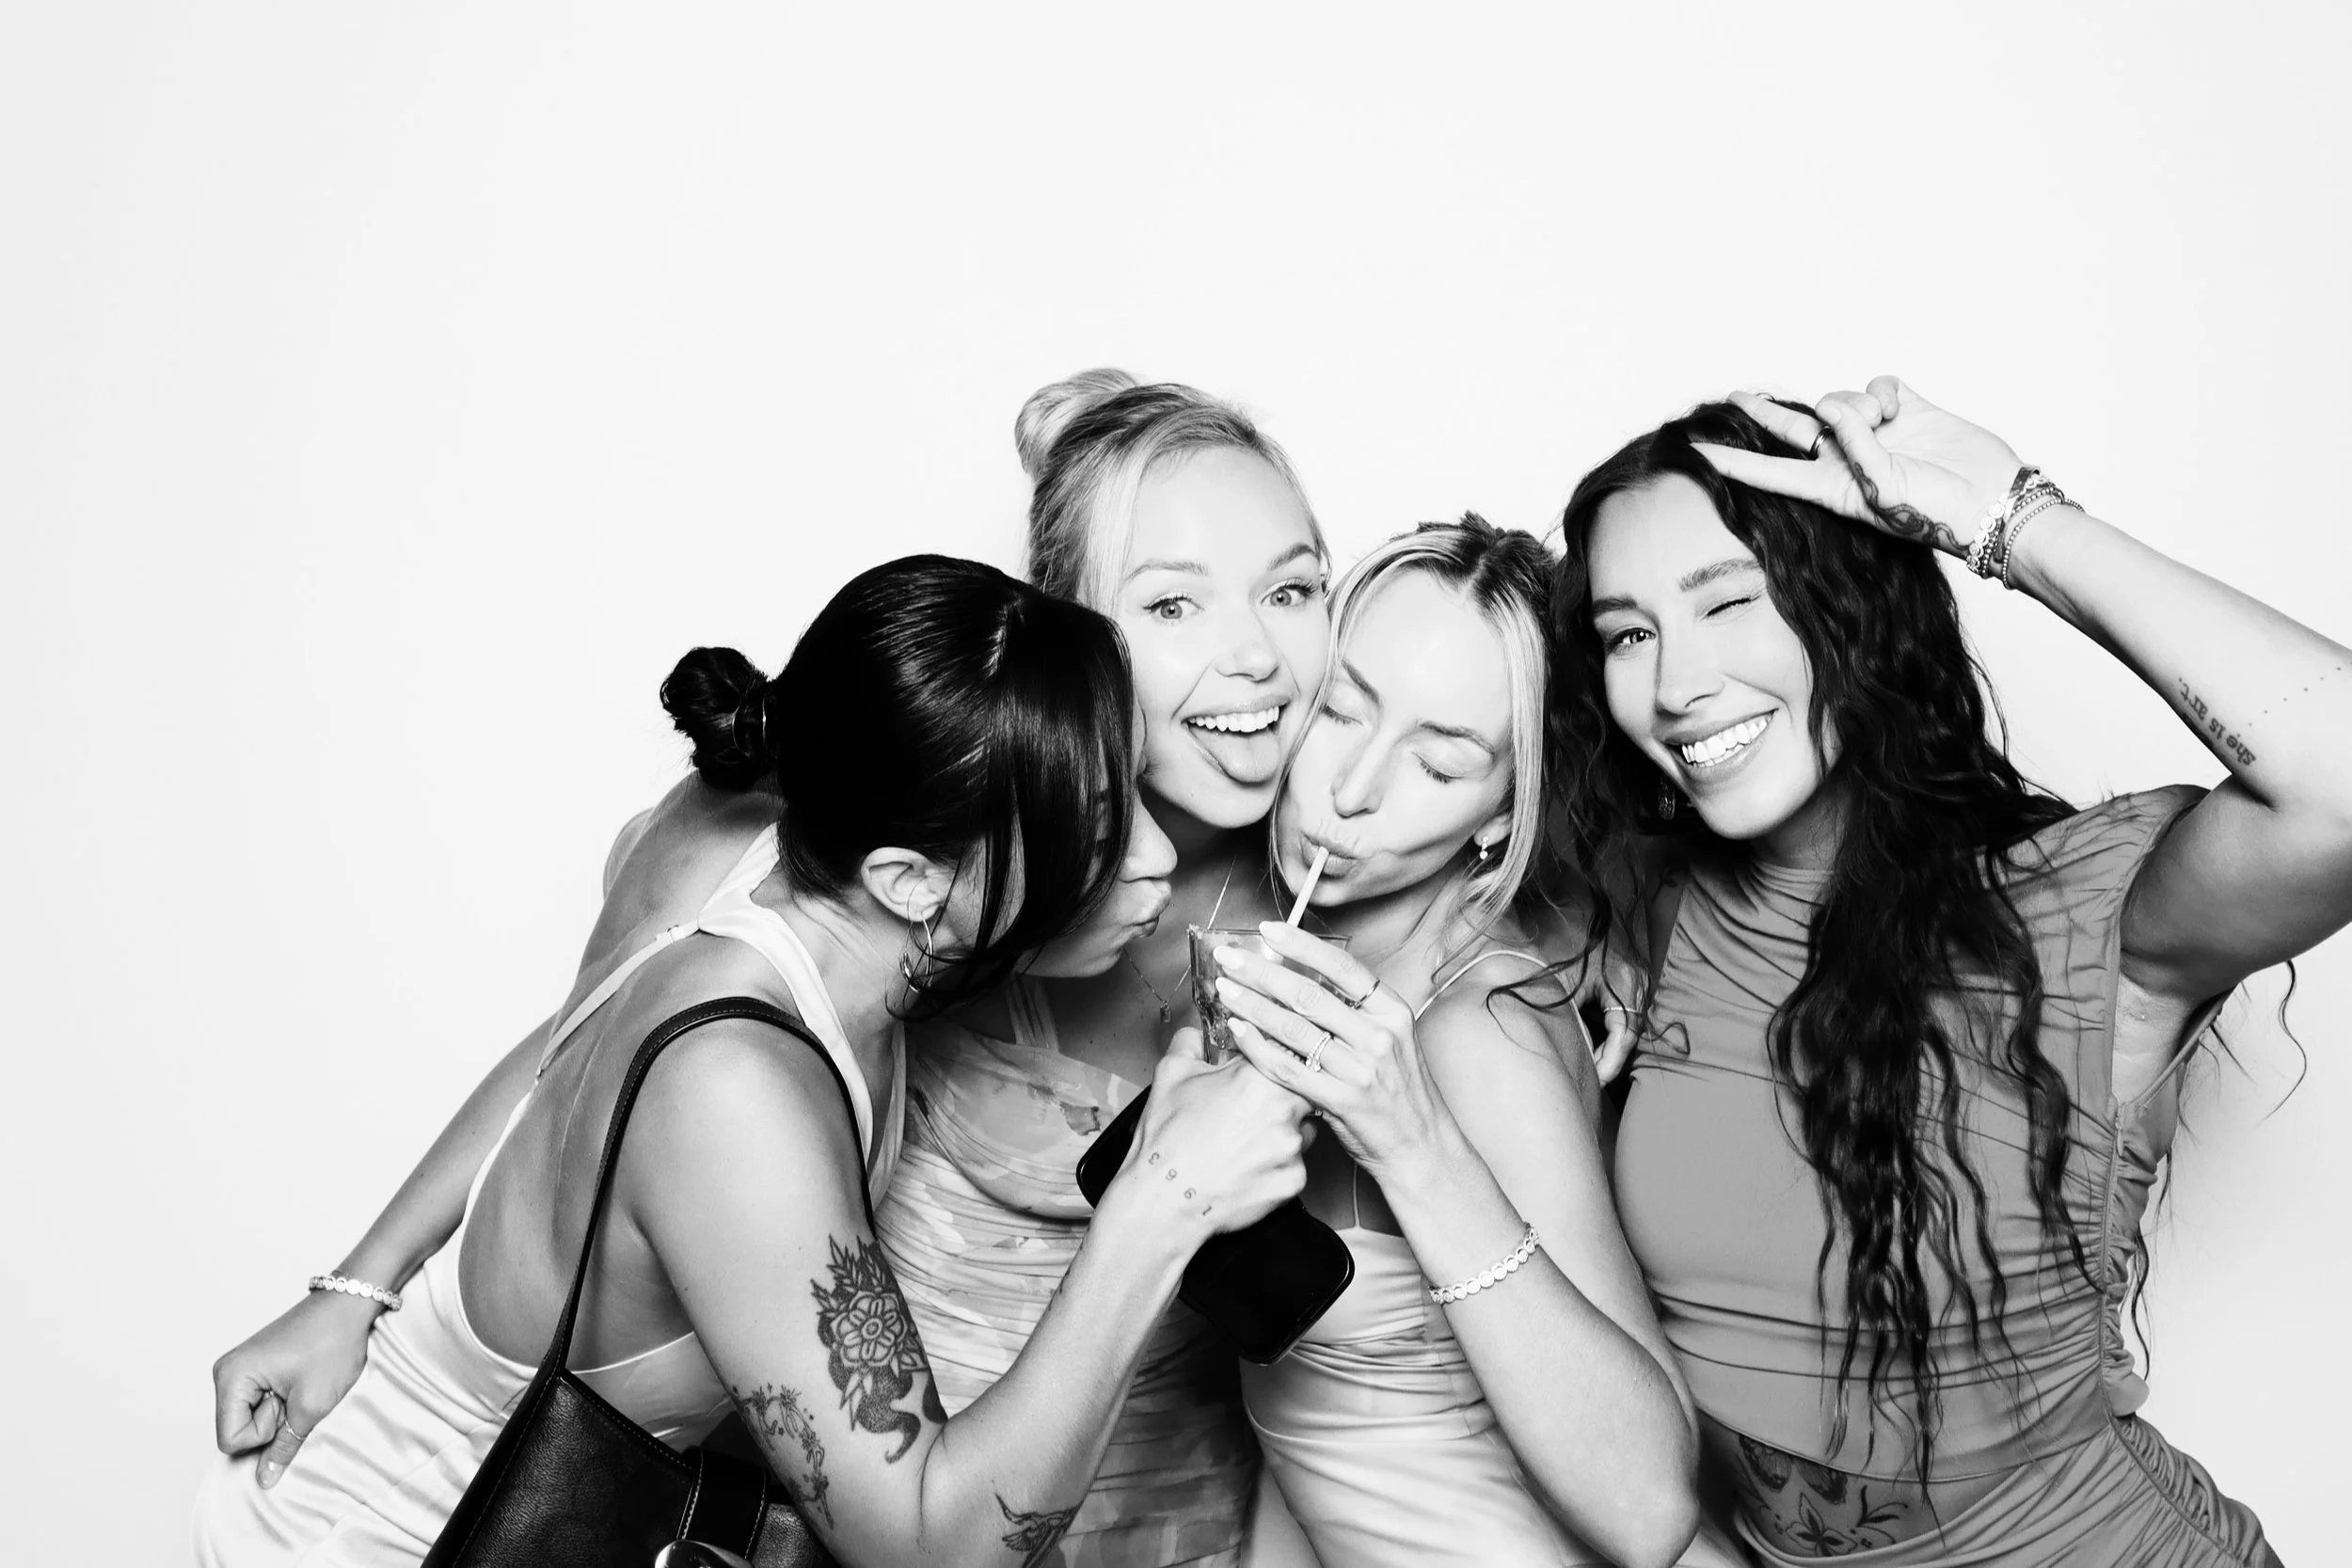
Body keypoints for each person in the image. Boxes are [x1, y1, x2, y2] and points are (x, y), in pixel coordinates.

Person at [195, 555, 1313, 1568]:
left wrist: (351, 1288)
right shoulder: (738, 1095)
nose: (1157, 857)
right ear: (911, 882)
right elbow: (926, 1549)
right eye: (1100, 827)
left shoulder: (766, 849)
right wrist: (1159, 1205)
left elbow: (563, 1042)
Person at [1549, 377, 2349, 1566]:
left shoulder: (2072, 911)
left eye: (1730, 603)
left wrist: (2007, 519)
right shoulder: (1650, 912)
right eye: (1629, 632)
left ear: (1853, 611)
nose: (1674, 683)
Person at [874, 370, 1336, 1568]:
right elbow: (638, 1023)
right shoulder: (945, 855)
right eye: (1174, 607)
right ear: (1061, 629)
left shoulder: (1354, 895)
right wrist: (364, 1285)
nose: (1254, 658)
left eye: (1290, 590)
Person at [1208, 518, 1701, 1568]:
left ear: (1498, 810)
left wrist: (1414, 1144)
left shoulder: (1481, 1029)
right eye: (1340, 708)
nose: (1353, 789)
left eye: (1438, 763)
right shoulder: (1276, 953)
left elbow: (1653, 1509)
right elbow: (1320, 1438)